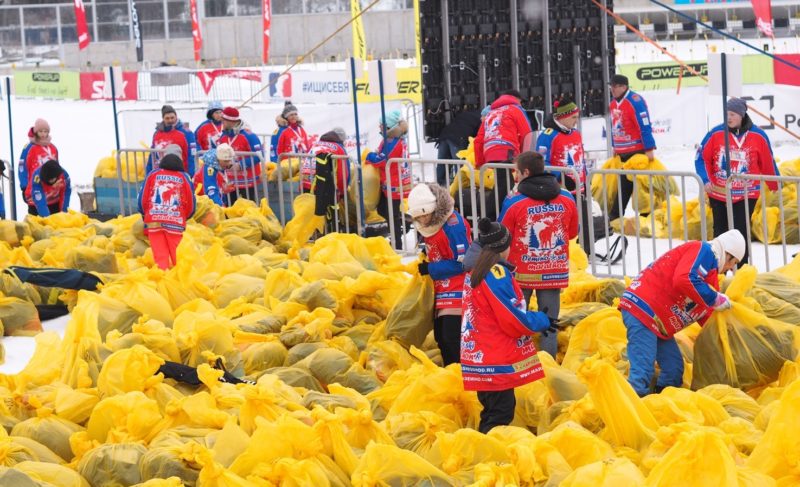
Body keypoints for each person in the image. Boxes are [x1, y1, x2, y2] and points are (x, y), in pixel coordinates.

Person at [618, 229, 745, 396]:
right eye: (732, 262)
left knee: (673, 370)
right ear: (727, 254)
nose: (729, 269)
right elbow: (684, 278)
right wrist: (714, 298)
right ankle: (630, 414)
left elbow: (706, 312)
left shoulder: (710, 274)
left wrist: (726, 336)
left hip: (658, 321)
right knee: (642, 372)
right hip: (643, 310)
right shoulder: (704, 251)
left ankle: (662, 406)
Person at [461, 217, 557, 433]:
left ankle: (487, 453)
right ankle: (488, 458)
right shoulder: (494, 273)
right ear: (503, 247)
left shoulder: (473, 272)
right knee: (500, 413)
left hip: (479, 356)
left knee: (493, 410)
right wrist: (541, 320)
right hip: (494, 356)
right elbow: (511, 317)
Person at [499, 151, 578, 357]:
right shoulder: (567, 198)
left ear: (526, 172)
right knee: (549, 325)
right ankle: (548, 368)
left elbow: (502, 235)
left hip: (521, 272)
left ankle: (519, 365)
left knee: (517, 322)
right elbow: (572, 233)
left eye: (516, 171)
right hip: (554, 271)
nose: (514, 176)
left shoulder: (514, 202)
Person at [695, 97, 778, 266]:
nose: (729, 117)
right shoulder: (715, 133)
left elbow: (768, 161)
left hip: (747, 193)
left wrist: (774, 183)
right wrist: (705, 179)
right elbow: (701, 159)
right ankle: (719, 270)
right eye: (726, 114)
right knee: (720, 232)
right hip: (719, 192)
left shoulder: (758, 135)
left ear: (742, 115)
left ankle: (742, 269)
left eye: (732, 114)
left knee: (740, 231)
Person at [406, 183, 472, 366]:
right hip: (442, 287)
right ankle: (452, 372)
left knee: (451, 337)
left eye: (425, 215)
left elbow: (464, 262)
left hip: (459, 287)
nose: (423, 220)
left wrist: (431, 269)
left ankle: (460, 373)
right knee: (441, 337)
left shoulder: (453, 225)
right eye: (418, 217)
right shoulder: (429, 224)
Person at [536, 98, 591, 253]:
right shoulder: (547, 135)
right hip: (560, 191)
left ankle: (584, 253)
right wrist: (560, 176)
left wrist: (586, 180)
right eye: (573, 117)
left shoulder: (576, 134)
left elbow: (581, 159)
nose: (576, 121)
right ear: (563, 116)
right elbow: (540, 162)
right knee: (563, 226)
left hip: (578, 190)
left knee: (582, 224)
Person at [473, 90, 534, 220]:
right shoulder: (516, 109)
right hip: (506, 149)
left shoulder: (491, 113)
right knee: (505, 184)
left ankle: (492, 216)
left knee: (503, 182)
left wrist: (480, 162)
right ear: (517, 99)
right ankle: (489, 218)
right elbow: (527, 133)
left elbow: (478, 139)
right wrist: (525, 159)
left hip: (490, 151)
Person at [608, 74, 656, 222]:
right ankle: (616, 215)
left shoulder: (635, 101)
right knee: (624, 185)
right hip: (623, 152)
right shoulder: (613, 103)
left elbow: (644, 125)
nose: (612, 90)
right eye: (611, 87)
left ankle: (645, 215)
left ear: (624, 86)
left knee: (641, 187)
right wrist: (614, 145)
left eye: (615, 86)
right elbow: (614, 126)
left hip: (637, 152)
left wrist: (649, 148)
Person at [138, 153, 196, 270]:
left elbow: (142, 198)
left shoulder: (153, 174)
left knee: (160, 259)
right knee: (178, 257)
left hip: (154, 221)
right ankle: (178, 282)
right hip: (175, 222)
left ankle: (163, 282)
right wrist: (186, 216)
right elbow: (190, 201)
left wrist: (145, 214)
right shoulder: (184, 177)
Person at [366, 109, 413, 249]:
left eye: (381, 124)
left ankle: (397, 244)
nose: (379, 127)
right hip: (390, 182)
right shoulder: (390, 139)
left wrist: (369, 156)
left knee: (391, 215)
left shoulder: (394, 142)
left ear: (388, 126)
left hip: (395, 184)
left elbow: (382, 160)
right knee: (382, 210)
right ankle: (404, 220)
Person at [217, 106, 265, 202]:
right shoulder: (223, 137)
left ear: (231, 121)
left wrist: (240, 165)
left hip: (248, 182)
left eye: (224, 120)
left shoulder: (249, 136)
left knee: (249, 209)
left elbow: (259, 156)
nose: (222, 122)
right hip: (230, 182)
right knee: (231, 210)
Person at [146, 105, 196, 175]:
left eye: (172, 117)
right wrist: (148, 172)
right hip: (161, 173)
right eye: (167, 118)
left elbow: (192, 154)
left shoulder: (186, 132)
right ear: (163, 119)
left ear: (176, 116)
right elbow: (152, 154)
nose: (170, 120)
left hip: (180, 172)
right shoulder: (157, 133)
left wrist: (191, 173)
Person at [436, 109, 481, 186]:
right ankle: (458, 190)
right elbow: (479, 136)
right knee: (459, 166)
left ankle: (440, 187)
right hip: (458, 138)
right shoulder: (481, 118)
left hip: (444, 135)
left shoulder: (467, 113)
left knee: (442, 164)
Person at [18, 118, 59, 199]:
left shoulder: (52, 147)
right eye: (40, 131)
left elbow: (57, 168)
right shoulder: (28, 148)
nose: (43, 134)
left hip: (52, 191)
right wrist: (24, 186)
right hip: (34, 189)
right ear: (36, 132)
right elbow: (22, 168)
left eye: (45, 131)